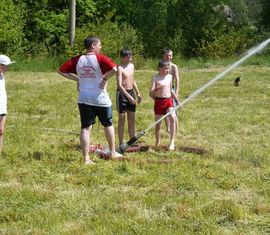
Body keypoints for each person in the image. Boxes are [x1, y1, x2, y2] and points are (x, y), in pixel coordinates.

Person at [58, 35, 123, 164]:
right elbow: (115, 69)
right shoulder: (100, 58)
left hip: (83, 98)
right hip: (100, 99)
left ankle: (86, 158)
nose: (100, 47)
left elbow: (61, 70)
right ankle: (113, 152)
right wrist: (104, 79)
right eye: (99, 45)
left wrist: (78, 79)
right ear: (93, 46)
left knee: (86, 128)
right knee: (108, 124)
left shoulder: (78, 59)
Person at [149, 60, 179, 150]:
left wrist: (177, 100)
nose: (167, 70)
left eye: (168, 69)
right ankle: (157, 141)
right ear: (160, 68)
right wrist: (156, 89)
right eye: (165, 69)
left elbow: (171, 90)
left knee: (172, 117)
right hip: (159, 101)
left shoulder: (169, 77)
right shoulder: (155, 77)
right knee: (158, 125)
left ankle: (172, 142)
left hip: (168, 100)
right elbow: (150, 94)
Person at [116, 48, 141, 145]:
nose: (130, 58)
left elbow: (133, 80)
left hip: (131, 92)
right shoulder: (119, 68)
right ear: (122, 57)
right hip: (122, 94)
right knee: (122, 119)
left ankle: (132, 141)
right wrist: (128, 97)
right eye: (128, 56)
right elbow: (119, 85)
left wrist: (137, 93)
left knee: (132, 119)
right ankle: (121, 142)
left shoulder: (132, 66)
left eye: (131, 56)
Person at [161, 48, 180, 131]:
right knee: (165, 111)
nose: (169, 57)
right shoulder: (161, 66)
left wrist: (177, 92)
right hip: (163, 90)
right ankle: (168, 129)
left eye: (170, 55)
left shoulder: (173, 66)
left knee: (173, 111)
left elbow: (177, 79)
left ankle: (176, 129)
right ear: (163, 56)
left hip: (171, 90)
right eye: (167, 55)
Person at [0, 55, 15, 154]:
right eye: (6, 65)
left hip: (2, 108)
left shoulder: (2, 76)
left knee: (1, 131)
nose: (8, 68)